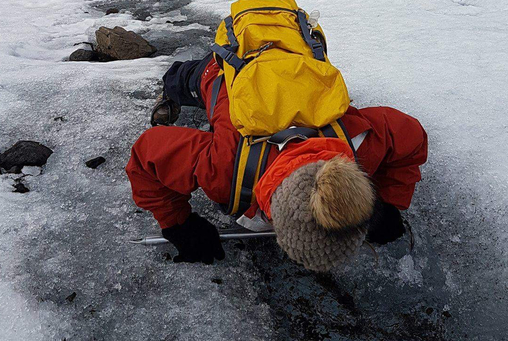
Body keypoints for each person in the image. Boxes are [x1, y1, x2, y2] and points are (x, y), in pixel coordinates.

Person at [126, 56, 428, 272]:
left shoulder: (364, 144)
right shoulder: (224, 169)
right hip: (230, 69)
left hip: (290, 65)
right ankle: (175, 81)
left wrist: (386, 203)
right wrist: (178, 224)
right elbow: (145, 155)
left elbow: (411, 136)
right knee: (184, 80)